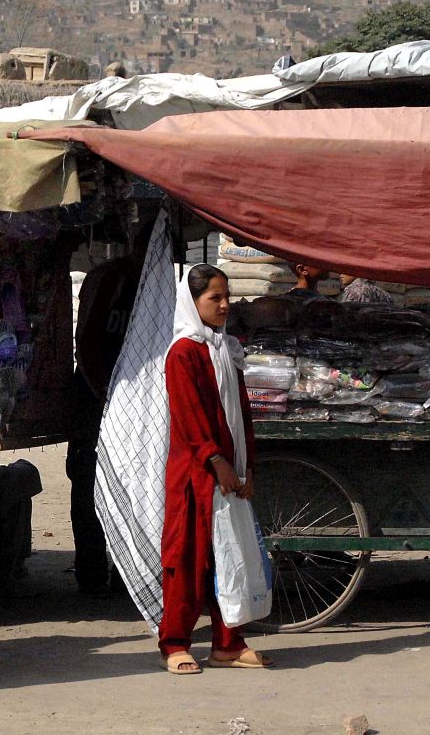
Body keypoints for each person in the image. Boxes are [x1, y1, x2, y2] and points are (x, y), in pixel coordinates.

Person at [159, 263, 273, 674]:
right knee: (188, 560)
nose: (225, 305)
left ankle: (227, 643)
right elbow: (189, 417)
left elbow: (241, 414)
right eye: (215, 298)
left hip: (228, 471)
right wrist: (217, 461)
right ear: (193, 303)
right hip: (196, 475)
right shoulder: (183, 353)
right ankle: (174, 643)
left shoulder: (225, 348)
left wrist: (247, 468)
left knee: (232, 556)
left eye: (226, 297)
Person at [66, 251, 142, 596]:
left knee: (132, 485)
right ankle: (92, 571)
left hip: (132, 397)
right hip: (94, 395)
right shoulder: (110, 279)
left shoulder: (157, 283)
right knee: (88, 483)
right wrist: (103, 394)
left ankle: (126, 573)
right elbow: (86, 341)